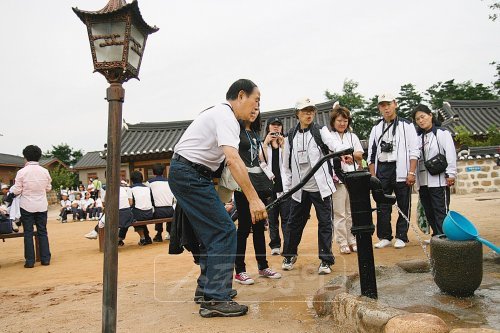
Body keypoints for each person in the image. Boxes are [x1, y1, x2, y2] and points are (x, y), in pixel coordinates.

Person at [168, 79, 267, 318]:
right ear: (241, 95)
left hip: (190, 174)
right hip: (189, 174)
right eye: (256, 100)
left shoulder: (225, 117)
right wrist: (254, 199)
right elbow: (233, 160)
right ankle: (215, 299)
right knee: (224, 230)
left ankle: (206, 290)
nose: (257, 107)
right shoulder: (225, 115)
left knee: (212, 232)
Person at [282, 97, 349, 275]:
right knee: (294, 223)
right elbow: (285, 165)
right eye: (305, 111)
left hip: (320, 187)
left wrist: (342, 152)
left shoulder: (320, 130)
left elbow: (333, 144)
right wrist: (288, 188)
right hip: (300, 188)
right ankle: (289, 255)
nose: (308, 114)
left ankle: (326, 260)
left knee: (325, 223)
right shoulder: (290, 136)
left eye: (311, 111)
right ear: (297, 114)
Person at [233, 109, 281, 285]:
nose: (253, 113)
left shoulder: (254, 133)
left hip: (259, 182)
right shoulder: (235, 132)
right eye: (250, 110)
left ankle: (263, 265)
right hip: (243, 183)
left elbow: (260, 160)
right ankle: (240, 270)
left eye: (256, 111)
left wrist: (269, 144)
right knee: (244, 227)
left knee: (260, 226)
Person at [367, 92, 419, 249]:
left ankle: (402, 236)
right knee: (382, 204)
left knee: (404, 202)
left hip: (401, 167)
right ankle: (385, 236)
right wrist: (373, 176)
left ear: (395, 104)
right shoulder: (376, 128)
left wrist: (411, 172)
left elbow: (414, 150)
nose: (386, 108)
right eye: (382, 105)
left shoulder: (406, 125)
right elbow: (371, 153)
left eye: (388, 104)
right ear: (379, 108)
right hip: (383, 168)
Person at [412, 104, 456, 241]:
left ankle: (444, 235)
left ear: (430, 115)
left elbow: (450, 153)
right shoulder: (417, 137)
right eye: (417, 119)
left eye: (423, 116)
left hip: (439, 179)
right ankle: (436, 234)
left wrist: (451, 173)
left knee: (440, 209)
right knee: (428, 209)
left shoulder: (442, 133)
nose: (420, 120)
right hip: (423, 180)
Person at [329, 103, 364, 254]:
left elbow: (359, 154)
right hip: (337, 179)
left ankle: (352, 239)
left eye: (345, 120)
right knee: (339, 213)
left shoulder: (353, 136)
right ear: (333, 122)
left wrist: (351, 156)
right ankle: (342, 241)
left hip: (353, 177)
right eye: (339, 120)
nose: (342, 123)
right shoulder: (329, 137)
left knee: (351, 211)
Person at [10, 145, 52, 268]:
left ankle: (30, 261)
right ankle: (45, 259)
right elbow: (48, 188)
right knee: (42, 231)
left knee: (28, 232)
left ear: (26, 157)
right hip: (41, 204)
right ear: (39, 156)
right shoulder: (45, 171)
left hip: (26, 205)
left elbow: (17, 190)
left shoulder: (21, 172)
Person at [261, 117, 290, 256]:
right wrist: (266, 143)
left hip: (284, 187)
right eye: (273, 125)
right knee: (272, 219)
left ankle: (288, 245)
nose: (276, 128)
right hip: (270, 187)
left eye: (279, 125)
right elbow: (262, 161)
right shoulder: (263, 144)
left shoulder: (286, 143)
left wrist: (283, 145)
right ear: (268, 127)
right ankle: (275, 245)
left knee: (286, 218)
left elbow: (288, 161)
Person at [146, 163, 175, 242]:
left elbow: (148, 197)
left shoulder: (149, 183)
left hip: (158, 211)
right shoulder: (169, 181)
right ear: (163, 171)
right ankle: (170, 233)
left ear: (153, 172)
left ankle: (159, 234)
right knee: (168, 214)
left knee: (156, 209)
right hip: (170, 210)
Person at [127, 171, 153, 246]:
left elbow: (130, 203)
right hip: (149, 213)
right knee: (138, 213)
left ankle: (143, 238)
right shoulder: (147, 188)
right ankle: (146, 237)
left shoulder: (130, 188)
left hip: (139, 214)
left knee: (131, 215)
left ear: (131, 180)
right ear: (142, 178)